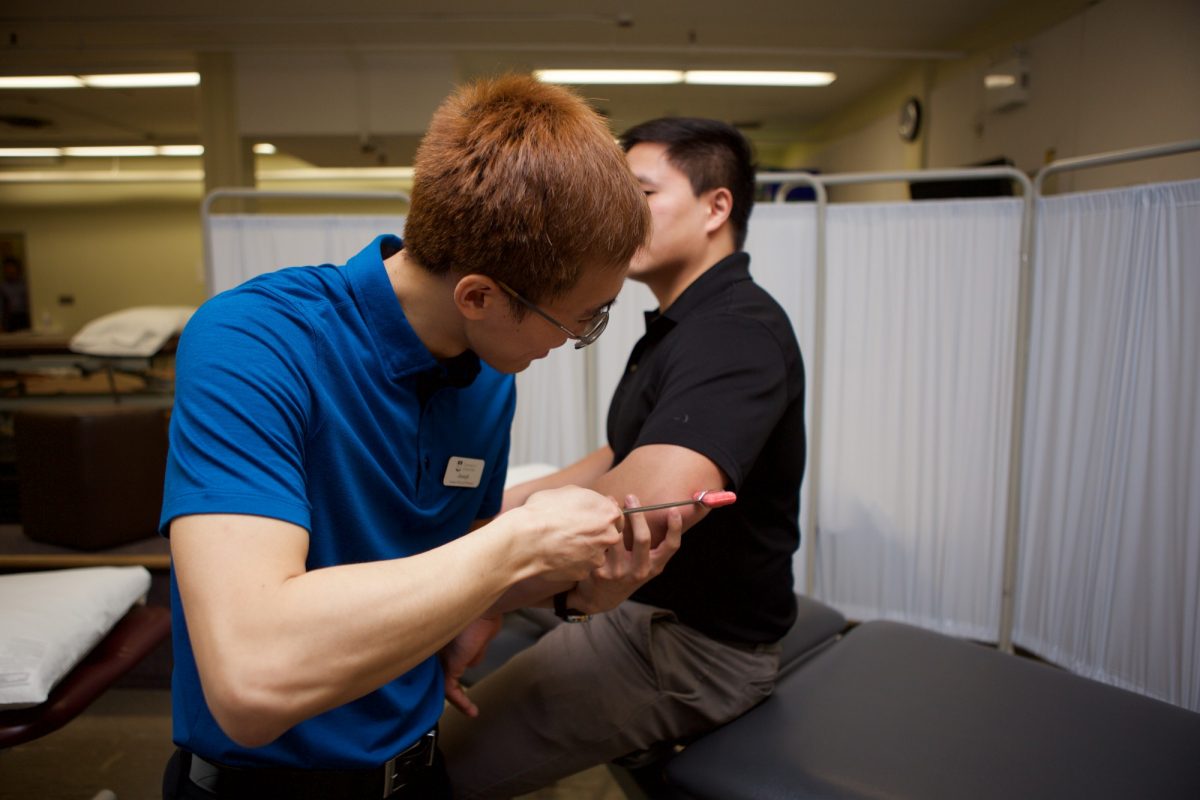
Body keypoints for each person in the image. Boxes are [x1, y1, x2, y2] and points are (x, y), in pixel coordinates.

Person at [158, 74, 660, 799]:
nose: (579, 338)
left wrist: (572, 591)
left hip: (419, 772)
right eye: (581, 319)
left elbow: (450, 560)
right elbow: (252, 679)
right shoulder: (254, 341)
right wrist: (517, 542)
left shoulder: (488, 374)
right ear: (479, 297)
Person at [439, 116, 807, 798]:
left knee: (437, 765)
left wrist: (464, 589)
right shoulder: (682, 326)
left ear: (716, 207)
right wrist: (481, 516)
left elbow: (641, 507)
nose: (620, 214)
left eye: (641, 194)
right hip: (644, 604)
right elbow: (616, 456)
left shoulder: (734, 332)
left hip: (691, 646)